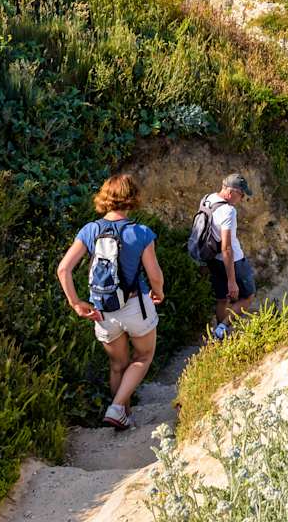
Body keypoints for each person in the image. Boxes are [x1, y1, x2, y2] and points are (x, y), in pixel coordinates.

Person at [56, 174, 164, 430]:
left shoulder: (90, 230)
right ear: (132, 198)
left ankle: (122, 416)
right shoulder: (141, 232)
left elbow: (63, 269)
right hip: (135, 306)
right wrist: (158, 292)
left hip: (102, 310)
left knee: (117, 365)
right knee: (144, 356)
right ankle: (117, 409)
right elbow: (154, 274)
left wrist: (76, 303)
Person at [202, 173, 256, 340]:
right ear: (232, 192)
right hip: (233, 261)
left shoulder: (207, 199)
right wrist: (232, 281)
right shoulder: (228, 211)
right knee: (248, 296)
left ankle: (219, 335)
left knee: (221, 298)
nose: (241, 199)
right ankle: (223, 327)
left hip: (212, 258)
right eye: (241, 195)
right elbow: (227, 248)